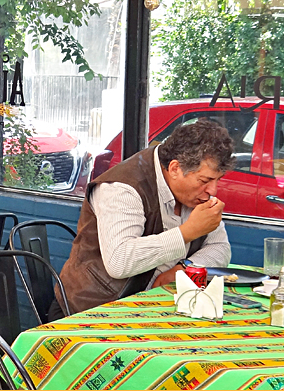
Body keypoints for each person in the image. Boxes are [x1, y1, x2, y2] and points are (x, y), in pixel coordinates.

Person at [58, 119, 233, 315]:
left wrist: (183, 269)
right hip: (97, 310)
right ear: (175, 168)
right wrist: (186, 233)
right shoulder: (123, 188)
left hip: (160, 306)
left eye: (218, 180)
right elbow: (119, 261)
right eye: (205, 180)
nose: (212, 190)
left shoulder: (195, 193)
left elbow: (220, 247)